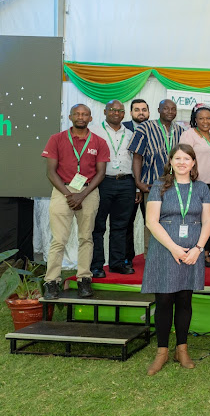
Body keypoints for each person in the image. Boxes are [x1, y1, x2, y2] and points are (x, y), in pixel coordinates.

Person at [142, 144, 210, 376]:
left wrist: (198, 249)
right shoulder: (159, 186)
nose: (182, 162)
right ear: (170, 161)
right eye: (178, 158)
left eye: (187, 159)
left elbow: (208, 221)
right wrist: (174, 248)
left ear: (193, 163)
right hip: (165, 250)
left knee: (184, 299)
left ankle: (182, 349)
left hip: (193, 251)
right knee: (164, 300)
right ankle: (162, 351)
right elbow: (151, 221)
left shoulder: (201, 188)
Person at [41, 104, 109, 299]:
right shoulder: (56, 139)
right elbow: (50, 172)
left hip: (89, 191)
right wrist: (69, 195)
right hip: (63, 190)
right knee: (59, 239)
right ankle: (52, 281)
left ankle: (84, 279)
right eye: (77, 114)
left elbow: (101, 173)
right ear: (70, 117)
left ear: (90, 118)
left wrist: (83, 194)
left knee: (86, 238)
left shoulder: (99, 142)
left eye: (85, 114)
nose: (81, 117)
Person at [128, 99, 185, 260]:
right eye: (166, 108)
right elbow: (137, 156)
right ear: (159, 109)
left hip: (175, 186)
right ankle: (150, 257)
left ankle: (170, 255)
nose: (170, 111)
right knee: (152, 223)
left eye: (173, 109)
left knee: (172, 222)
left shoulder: (181, 131)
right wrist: (138, 182)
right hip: (151, 185)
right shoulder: (145, 128)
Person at [91, 100, 136, 277]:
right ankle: (96, 266)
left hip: (126, 182)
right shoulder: (94, 131)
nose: (116, 113)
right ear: (105, 111)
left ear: (124, 114)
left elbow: (135, 160)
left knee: (120, 226)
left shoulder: (131, 134)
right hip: (102, 182)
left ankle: (117, 263)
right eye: (113, 110)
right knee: (98, 226)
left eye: (120, 111)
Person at [179, 105, 210, 266]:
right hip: (194, 184)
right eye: (201, 118)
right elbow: (182, 158)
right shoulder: (188, 135)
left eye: (208, 118)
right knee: (193, 219)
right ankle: (191, 251)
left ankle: (206, 252)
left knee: (209, 220)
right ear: (195, 120)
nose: (205, 121)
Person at [125, 98, 150, 268]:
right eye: (137, 110)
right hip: (128, 183)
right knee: (127, 222)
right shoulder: (123, 129)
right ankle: (127, 258)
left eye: (144, 109)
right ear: (131, 112)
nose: (141, 113)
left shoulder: (153, 128)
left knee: (151, 222)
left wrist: (142, 185)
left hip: (148, 184)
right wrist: (136, 185)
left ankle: (151, 255)